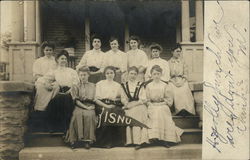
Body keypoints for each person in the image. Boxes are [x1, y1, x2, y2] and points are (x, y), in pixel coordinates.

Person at [145, 65, 183, 147]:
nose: (156, 76)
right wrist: (150, 104)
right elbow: (147, 99)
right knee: (154, 111)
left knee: (162, 110)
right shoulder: (148, 86)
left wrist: (162, 103)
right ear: (151, 75)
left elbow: (169, 99)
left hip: (162, 104)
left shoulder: (165, 85)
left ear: (161, 75)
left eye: (158, 74)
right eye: (154, 74)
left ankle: (165, 138)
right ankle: (154, 137)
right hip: (152, 105)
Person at [46, 50, 79, 133]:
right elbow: (46, 79)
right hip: (59, 92)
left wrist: (71, 89)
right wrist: (48, 84)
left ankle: (66, 128)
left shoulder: (72, 71)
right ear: (57, 60)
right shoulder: (55, 71)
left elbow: (76, 82)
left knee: (66, 101)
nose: (63, 60)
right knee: (52, 103)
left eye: (65, 59)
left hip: (69, 92)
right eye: (61, 58)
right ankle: (54, 128)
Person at [64, 67, 96, 149]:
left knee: (89, 115)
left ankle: (87, 141)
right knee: (76, 115)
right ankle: (73, 140)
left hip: (90, 105)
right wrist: (85, 107)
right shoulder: (76, 86)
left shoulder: (93, 86)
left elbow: (95, 98)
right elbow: (76, 101)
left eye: (85, 75)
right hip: (79, 105)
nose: (83, 77)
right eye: (81, 75)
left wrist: (90, 107)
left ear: (88, 75)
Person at [94, 66, 125, 148]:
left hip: (113, 104)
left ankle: (117, 141)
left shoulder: (118, 85)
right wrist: (106, 106)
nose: (109, 75)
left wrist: (114, 104)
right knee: (106, 113)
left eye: (111, 73)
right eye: (107, 73)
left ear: (114, 74)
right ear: (105, 74)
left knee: (119, 112)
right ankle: (105, 142)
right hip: (101, 104)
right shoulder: (100, 84)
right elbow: (96, 99)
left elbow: (119, 98)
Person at [121, 66, 149, 150]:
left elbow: (143, 98)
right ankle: (130, 141)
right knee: (128, 113)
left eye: (135, 74)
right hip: (129, 105)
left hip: (139, 105)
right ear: (128, 74)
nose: (133, 76)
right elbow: (123, 98)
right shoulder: (124, 85)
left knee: (137, 113)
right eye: (131, 73)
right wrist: (126, 104)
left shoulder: (140, 84)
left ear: (137, 75)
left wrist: (133, 105)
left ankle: (138, 141)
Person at [168, 45, 195, 116]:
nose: (178, 53)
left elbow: (186, 73)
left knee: (185, 90)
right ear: (172, 52)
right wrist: (174, 82)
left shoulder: (183, 62)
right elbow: (168, 75)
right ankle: (179, 111)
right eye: (177, 51)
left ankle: (188, 111)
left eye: (179, 51)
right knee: (175, 91)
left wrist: (182, 82)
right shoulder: (168, 63)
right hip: (172, 81)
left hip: (182, 80)